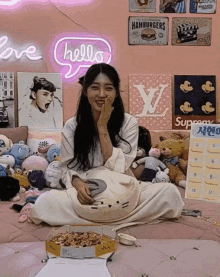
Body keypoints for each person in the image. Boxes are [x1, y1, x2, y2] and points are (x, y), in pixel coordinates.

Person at [27, 63, 184, 226]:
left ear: (116, 92)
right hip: (89, 191)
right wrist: (79, 185)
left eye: (108, 88)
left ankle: (97, 218)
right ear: (86, 91)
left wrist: (102, 126)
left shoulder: (129, 122)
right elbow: (67, 167)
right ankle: (114, 216)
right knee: (44, 203)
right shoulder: (72, 126)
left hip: (123, 190)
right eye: (95, 88)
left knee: (170, 193)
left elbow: (119, 167)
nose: (101, 94)